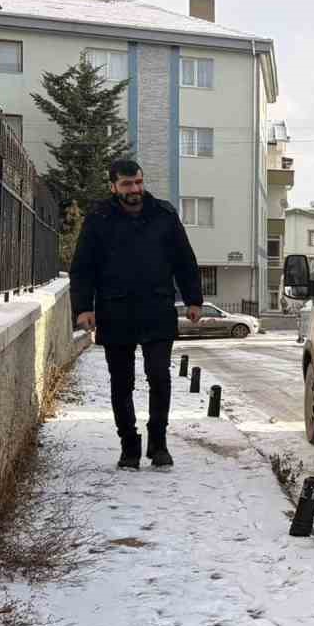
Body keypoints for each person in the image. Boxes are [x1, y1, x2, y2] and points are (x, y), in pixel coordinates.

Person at [71, 159, 204, 469]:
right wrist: (83, 308)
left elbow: (184, 260)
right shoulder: (99, 218)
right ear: (114, 186)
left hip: (157, 308)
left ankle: (159, 444)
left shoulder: (164, 215)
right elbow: (83, 268)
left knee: (159, 376)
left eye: (139, 183)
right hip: (115, 310)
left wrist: (194, 299)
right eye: (128, 184)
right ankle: (129, 446)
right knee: (122, 382)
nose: (135, 190)